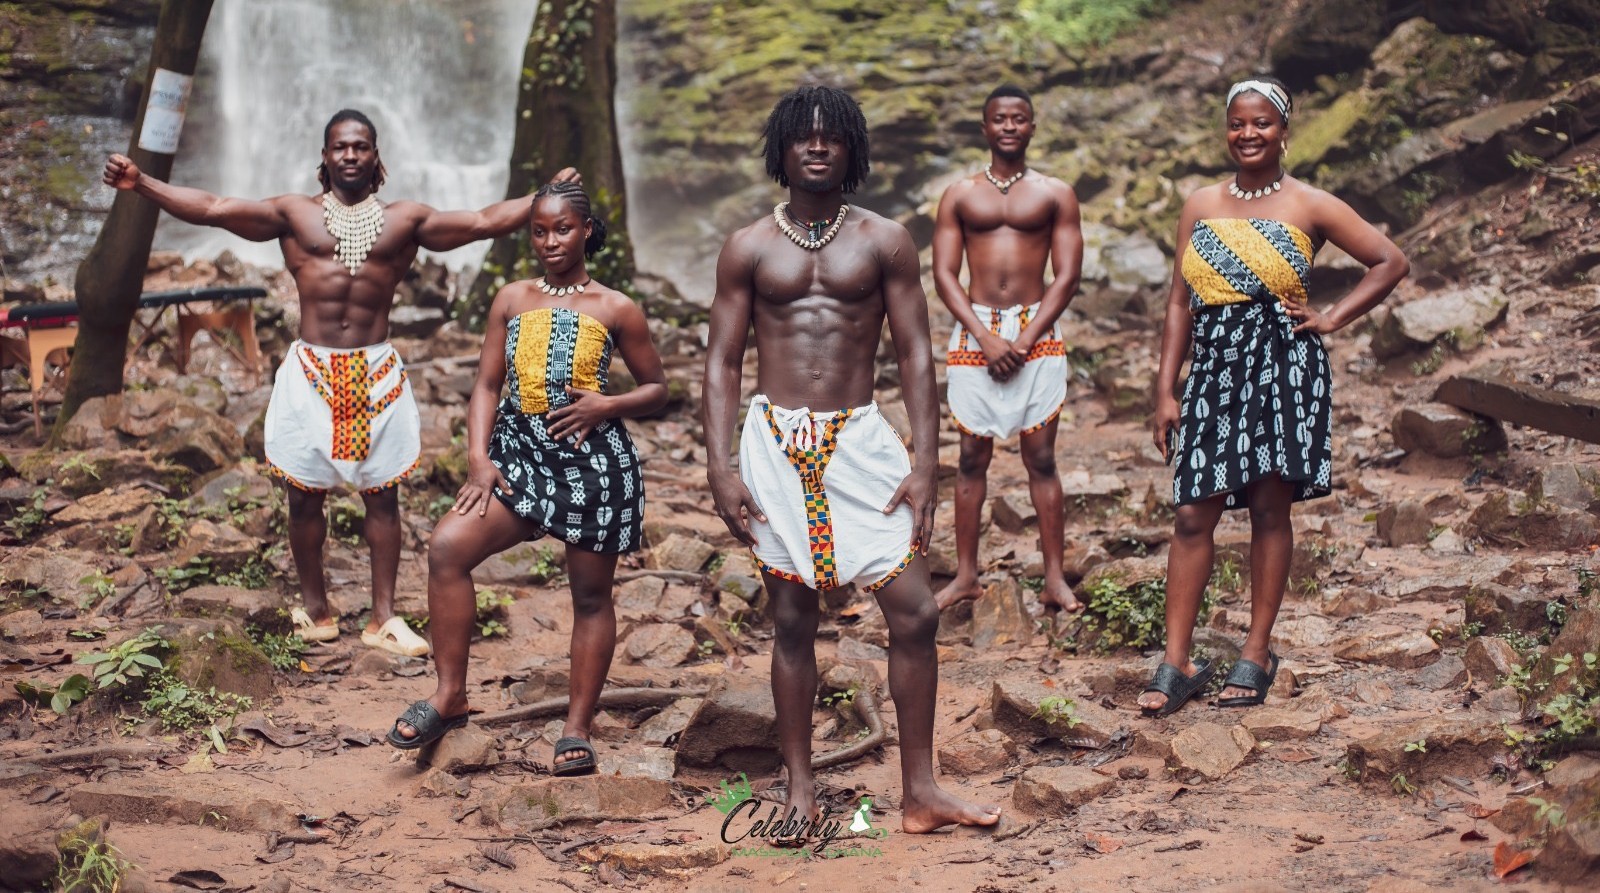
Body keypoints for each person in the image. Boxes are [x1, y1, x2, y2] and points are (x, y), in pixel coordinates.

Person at [103, 110, 577, 657]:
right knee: (303, 501)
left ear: (377, 158)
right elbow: (213, 208)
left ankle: (382, 619)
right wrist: (142, 184)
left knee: (383, 500)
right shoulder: (292, 214)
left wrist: (546, 194)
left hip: (375, 373)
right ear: (324, 158)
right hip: (310, 375)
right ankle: (316, 612)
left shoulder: (406, 220)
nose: (350, 154)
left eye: (360, 146)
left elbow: (480, 221)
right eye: (339, 147)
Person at [703, 84, 1002, 834]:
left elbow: (915, 352)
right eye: (802, 136)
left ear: (851, 149)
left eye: (830, 136)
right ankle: (799, 786)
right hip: (773, 445)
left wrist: (925, 459)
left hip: (861, 442)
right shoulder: (747, 247)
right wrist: (719, 466)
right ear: (781, 148)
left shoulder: (884, 240)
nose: (815, 146)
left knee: (915, 611)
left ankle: (922, 790)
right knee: (793, 619)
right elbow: (720, 363)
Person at [1139, 78, 1408, 716]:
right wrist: (1165, 388)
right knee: (1191, 514)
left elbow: (1390, 261)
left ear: (1284, 131)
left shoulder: (1311, 203)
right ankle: (1175, 662)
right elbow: (1180, 301)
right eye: (1237, 124)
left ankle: (1255, 653)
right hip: (1212, 368)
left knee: (1267, 511)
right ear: (1226, 130)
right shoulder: (1200, 203)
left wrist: (1334, 317)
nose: (1248, 134)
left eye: (1261, 123)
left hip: (1283, 364)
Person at [386, 179, 667, 771]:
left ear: (587, 230)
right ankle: (450, 694)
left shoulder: (616, 307)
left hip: (593, 466)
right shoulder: (512, 299)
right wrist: (479, 458)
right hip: (517, 457)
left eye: (562, 229)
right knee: (447, 548)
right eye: (538, 231)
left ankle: (577, 726)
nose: (549, 242)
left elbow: (657, 390)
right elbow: (487, 385)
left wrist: (604, 405)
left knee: (590, 597)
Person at [930, 84, 1084, 615]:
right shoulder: (959, 194)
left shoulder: (1055, 193)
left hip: (1034, 331)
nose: (1010, 127)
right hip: (977, 331)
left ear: (1032, 127)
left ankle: (1055, 580)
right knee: (971, 456)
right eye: (1000, 119)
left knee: (1040, 457)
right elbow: (944, 274)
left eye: (1020, 118)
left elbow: (1067, 276)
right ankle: (967, 575)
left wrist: (1021, 338)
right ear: (986, 127)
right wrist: (985, 336)